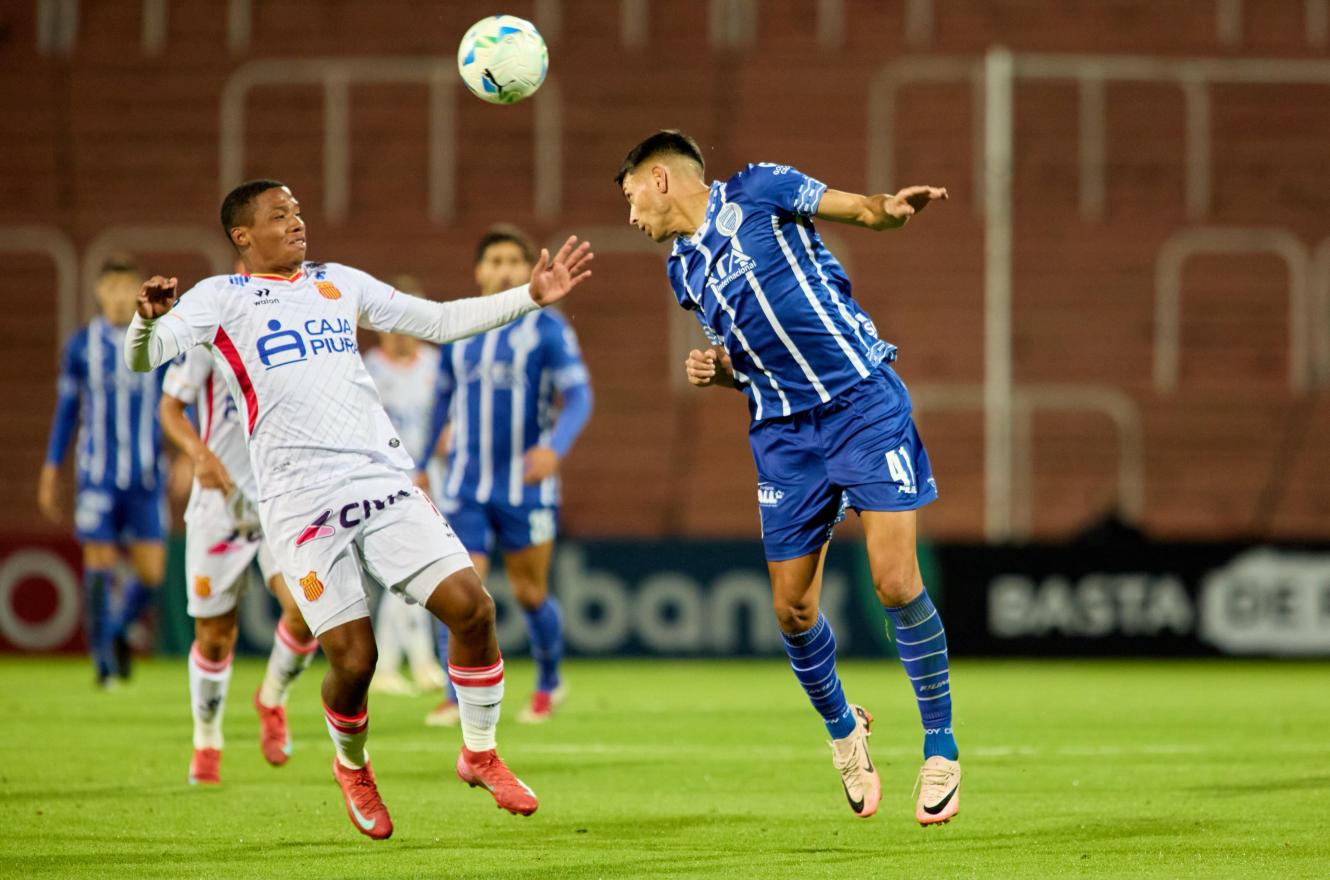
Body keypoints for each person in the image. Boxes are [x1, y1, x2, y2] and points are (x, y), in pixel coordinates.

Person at [124, 179, 592, 840]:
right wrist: (146, 321)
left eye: (297, 210)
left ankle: (480, 753)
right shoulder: (221, 298)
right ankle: (352, 765)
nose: (297, 220)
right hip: (298, 500)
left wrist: (529, 297)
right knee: (354, 660)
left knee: (473, 607)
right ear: (242, 235)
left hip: (380, 477)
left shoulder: (337, 282)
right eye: (279, 214)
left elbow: (437, 321)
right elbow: (143, 358)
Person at [615, 130, 960, 825]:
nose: (631, 216)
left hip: (861, 403)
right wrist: (721, 370)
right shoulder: (682, 272)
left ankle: (940, 746)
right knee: (792, 610)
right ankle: (845, 732)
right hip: (783, 436)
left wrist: (890, 210)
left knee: (895, 581)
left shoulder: (758, 189)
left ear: (660, 178)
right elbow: (751, 359)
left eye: (630, 197)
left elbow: (860, 209)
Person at [419, 225, 593, 727]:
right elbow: (441, 402)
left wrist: (554, 448)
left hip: (526, 486)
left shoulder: (547, 329)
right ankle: (454, 694)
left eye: (514, 261)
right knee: (459, 590)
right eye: (494, 261)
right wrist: (422, 462)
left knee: (529, 593)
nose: (504, 271)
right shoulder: (457, 328)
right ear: (478, 271)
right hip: (465, 484)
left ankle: (549, 683)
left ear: (528, 268)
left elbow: (579, 396)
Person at [160, 345, 320, 784]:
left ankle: (272, 699)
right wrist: (198, 454)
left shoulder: (297, 331)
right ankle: (207, 739)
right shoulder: (209, 335)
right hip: (221, 503)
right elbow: (170, 407)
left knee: (308, 608)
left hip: (282, 500)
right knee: (214, 638)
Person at [40, 255, 167, 686]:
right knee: (99, 562)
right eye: (110, 288)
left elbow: (179, 400)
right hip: (97, 476)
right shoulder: (82, 346)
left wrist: (190, 453)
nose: (117, 297)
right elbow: (66, 412)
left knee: (152, 575)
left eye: (125, 288)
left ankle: (113, 632)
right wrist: (51, 468)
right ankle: (102, 663)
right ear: (99, 292)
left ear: (138, 292)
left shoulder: (158, 342)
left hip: (146, 476)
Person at [362, 278, 448, 697]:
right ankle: (417, 663)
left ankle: (398, 666)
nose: (399, 333)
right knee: (405, 569)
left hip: (433, 478)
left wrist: (446, 441)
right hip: (387, 481)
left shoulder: (434, 364)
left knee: (421, 569)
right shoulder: (368, 368)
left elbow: (451, 417)